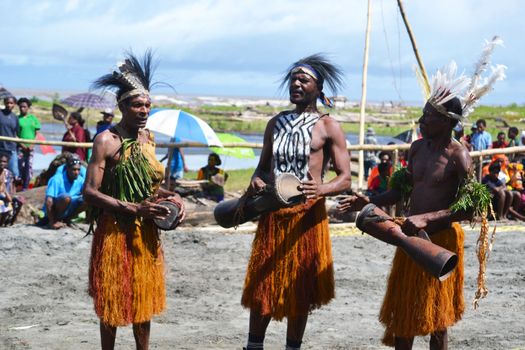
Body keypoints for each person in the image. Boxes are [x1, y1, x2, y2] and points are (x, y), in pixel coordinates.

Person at [337, 56, 505, 349]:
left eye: (428, 116)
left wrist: (428, 218)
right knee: (404, 314)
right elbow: (400, 190)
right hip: (410, 237)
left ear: (447, 121)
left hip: (440, 242)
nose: (421, 120)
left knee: (436, 320)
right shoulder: (416, 149)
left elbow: (471, 206)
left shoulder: (459, 156)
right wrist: (370, 200)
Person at [241, 54, 351, 350]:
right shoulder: (275, 123)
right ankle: (254, 345)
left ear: (319, 88)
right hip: (274, 214)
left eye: (304, 80)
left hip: (307, 218)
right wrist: (257, 180)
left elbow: (345, 178)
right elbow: (262, 167)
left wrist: (321, 188)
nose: (296, 84)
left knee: (299, 288)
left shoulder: (328, 126)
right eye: (293, 79)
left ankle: (293, 347)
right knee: (264, 283)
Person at [84, 50, 185, 350]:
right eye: (137, 105)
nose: (144, 111)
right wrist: (131, 207)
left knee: (144, 298)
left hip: (146, 232)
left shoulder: (148, 139)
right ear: (121, 106)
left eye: (148, 105)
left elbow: (151, 187)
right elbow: (89, 192)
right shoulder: (106, 141)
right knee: (112, 301)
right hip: (115, 230)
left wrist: (172, 198)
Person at [43, 154, 86, 229]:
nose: (76, 172)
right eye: (74, 169)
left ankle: (67, 219)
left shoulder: (80, 180)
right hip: (54, 211)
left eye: (78, 170)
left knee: (89, 199)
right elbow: (49, 201)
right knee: (66, 197)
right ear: (68, 169)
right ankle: (54, 221)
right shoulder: (56, 179)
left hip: (69, 207)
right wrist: (52, 221)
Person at [17, 97, 41, 190]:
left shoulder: (33, 119)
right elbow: (15, 134)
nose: (22, 108)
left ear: (28, 107)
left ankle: (26, 187)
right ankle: (19, 186)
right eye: (20, 107)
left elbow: (37, 133)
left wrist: (32, 144)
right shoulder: (17, 119)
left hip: (31, 147)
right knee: (20, 166)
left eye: (24, 107)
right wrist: (22, 145)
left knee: (29, 167)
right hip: (20, 147)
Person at [0, 153, 23, 225]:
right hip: (2, 194)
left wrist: (10, 195)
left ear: (7, 163)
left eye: (4, 162)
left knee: (18, 201)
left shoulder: (8, 173)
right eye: (0, 161)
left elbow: (10, 187)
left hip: (5, 193)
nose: (1, 163)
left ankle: (10, 222)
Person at [0, 96, 20, 180]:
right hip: (0, 147)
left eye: (11, 103)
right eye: (7, 103)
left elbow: (16, 133)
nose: (9, 105)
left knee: (14, 172)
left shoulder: (15, 117)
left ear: (14, 104)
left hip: (11, 148)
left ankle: (12, 191)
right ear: (4, 103)